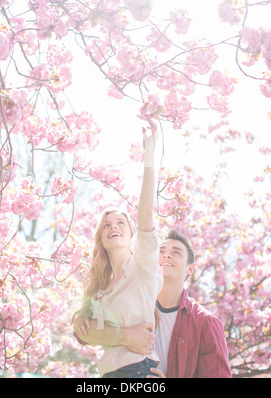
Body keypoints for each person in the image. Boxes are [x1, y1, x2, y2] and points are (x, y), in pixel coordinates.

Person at [74, 228, 232, 378]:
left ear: (189, 269)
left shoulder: (205, 323)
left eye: (176, 252)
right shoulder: (130, 301)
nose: (166, 256)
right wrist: (121, 334)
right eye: (161, 251)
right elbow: (82, 335)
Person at [72, 119, 163, 378]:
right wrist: (125, 336)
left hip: (137, 371)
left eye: (121, 223)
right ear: (100, 238)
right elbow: (85, 333)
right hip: (109, 374)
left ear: (132, 233)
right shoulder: (100, 288)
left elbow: (145, 214)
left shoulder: (143, 265)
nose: (113, 227)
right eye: (106, 225)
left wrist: (149, 156)